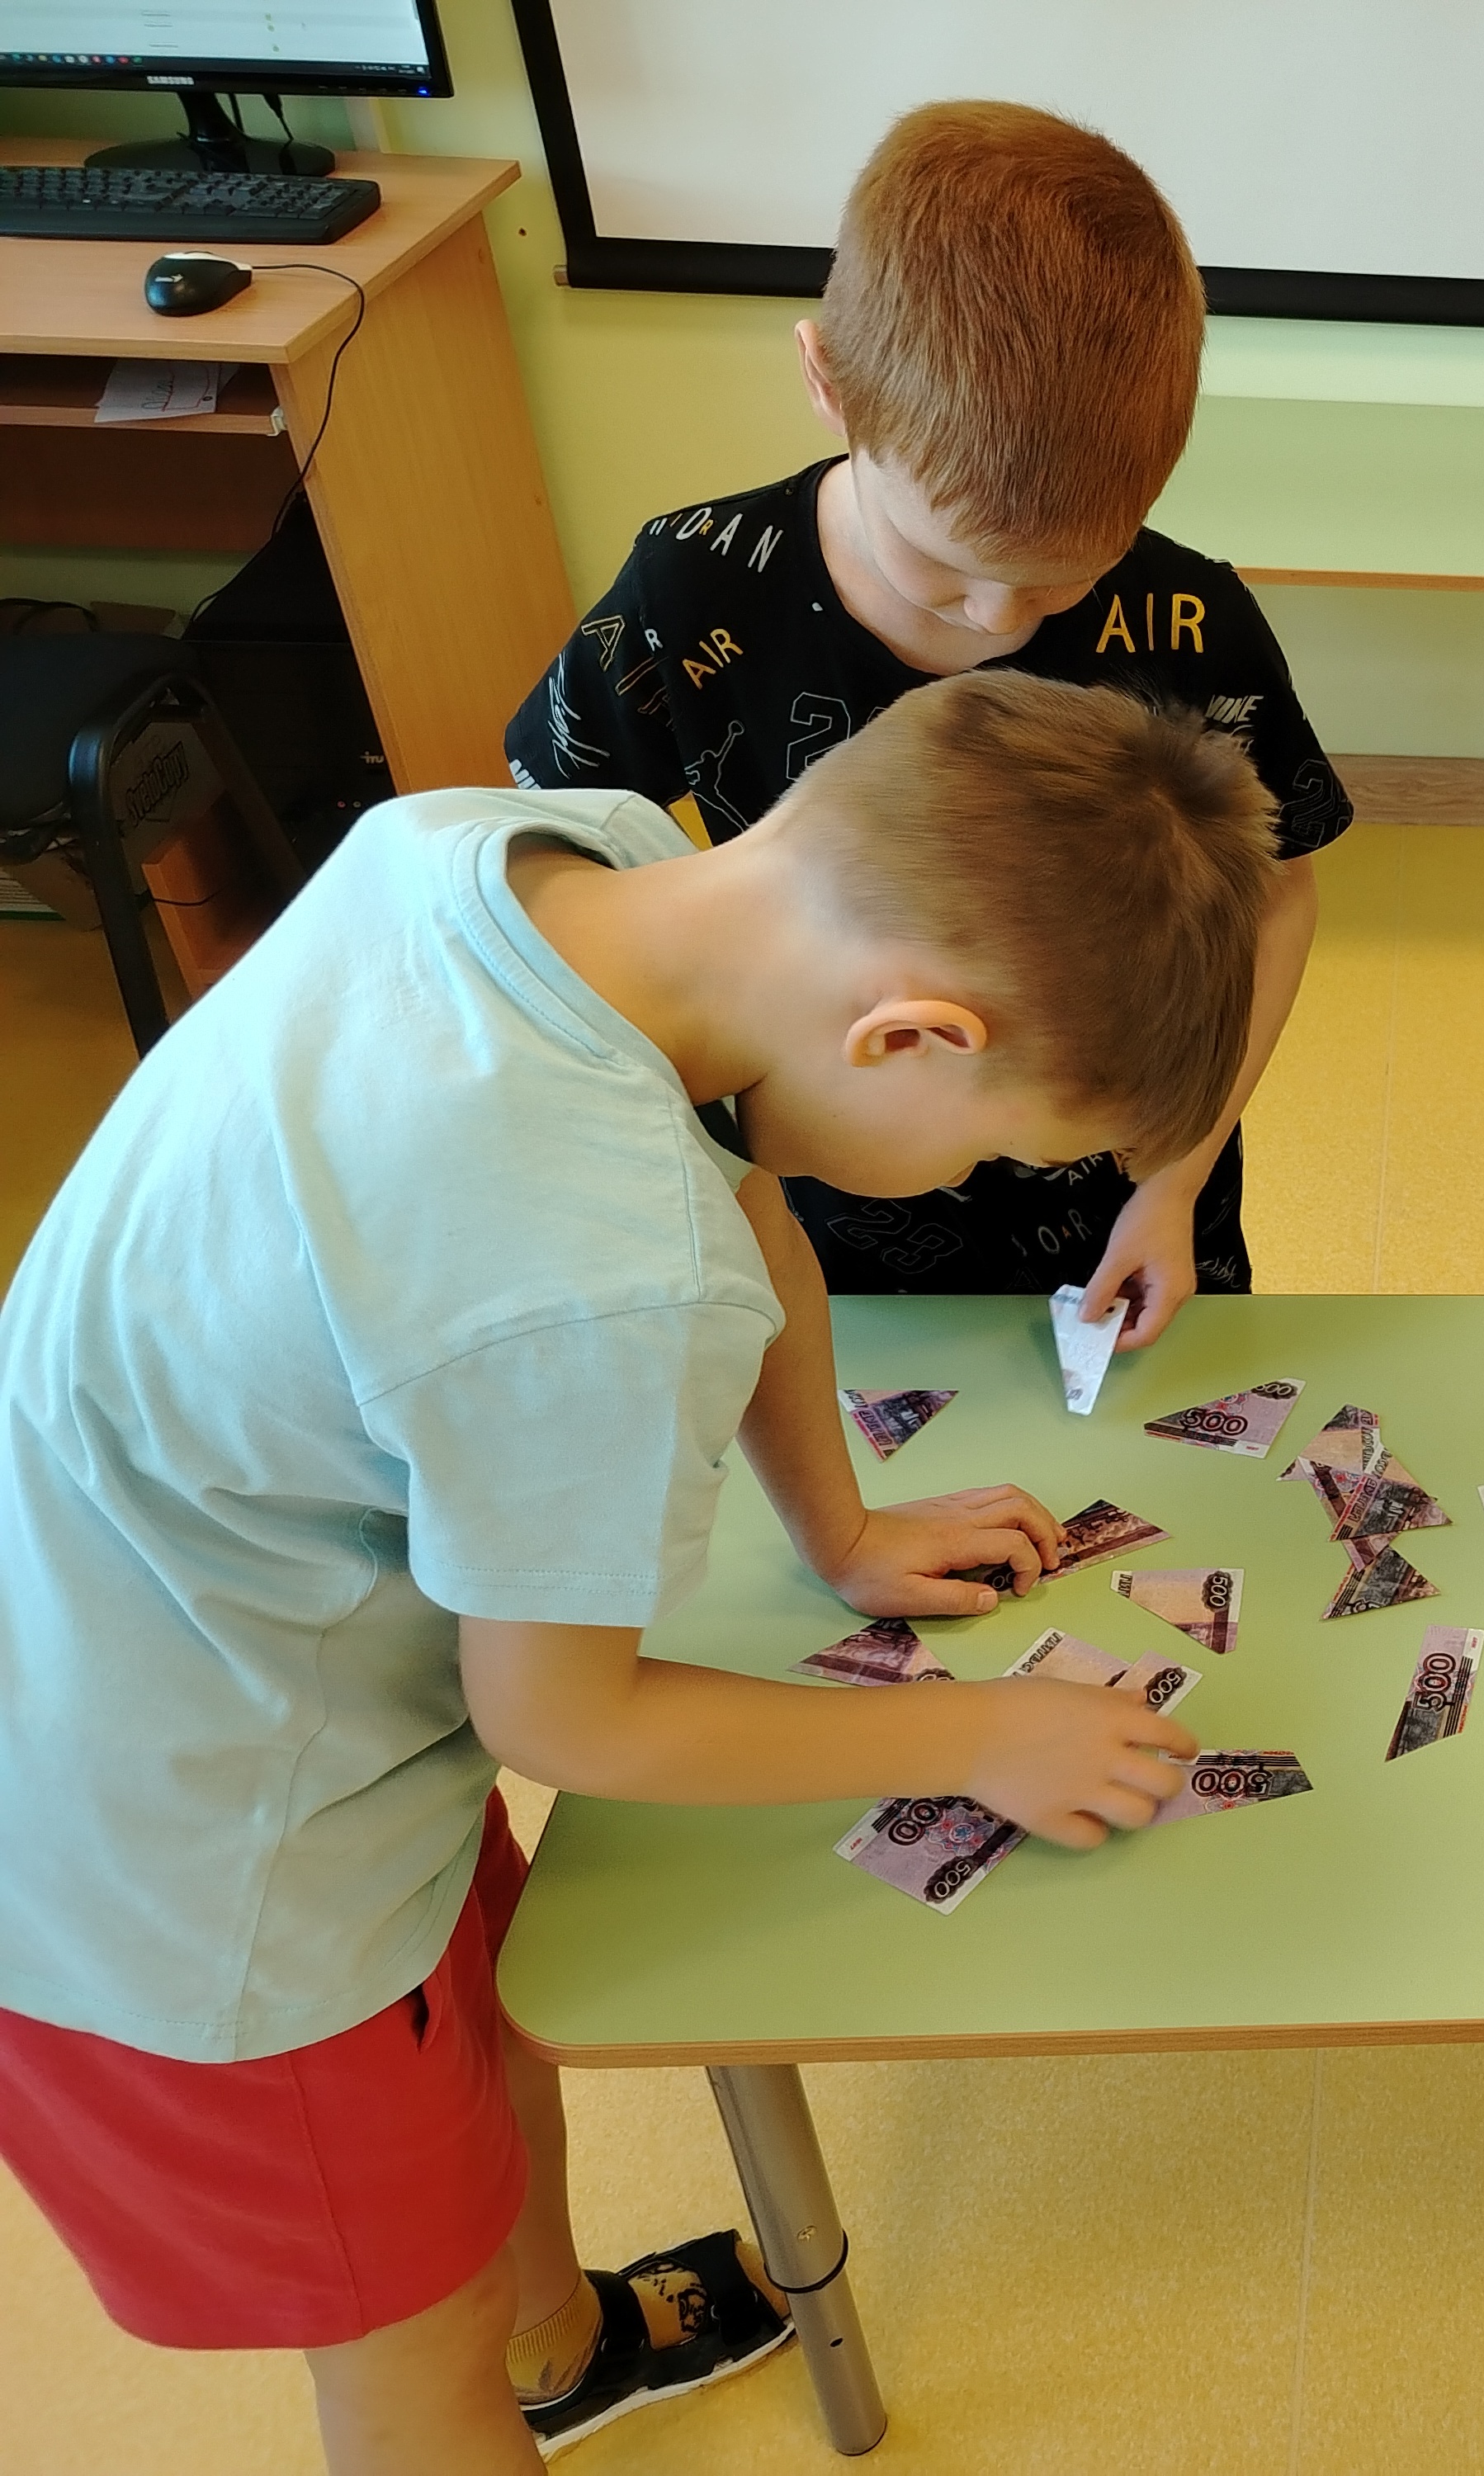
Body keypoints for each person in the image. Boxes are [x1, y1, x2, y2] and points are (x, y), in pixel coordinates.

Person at [0, 673, 1269, 2468]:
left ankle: (561, 2348)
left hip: (202, 1658)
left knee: (492, 2056)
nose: (969, 1175)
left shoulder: (533, 856)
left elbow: (740, 1190)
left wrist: (837, 1531)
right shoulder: (591, 1264)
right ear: (910, 1037)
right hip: (180, 1868)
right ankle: (498, 2366)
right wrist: (977, 1734)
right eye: (994, 1142)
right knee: (406, 2355)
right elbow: (567, 1719)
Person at [507, 99, 1349, 1343]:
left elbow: (1274, 896)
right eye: (944, 563)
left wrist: (1172, 1179)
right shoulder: (695, 588)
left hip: (1123, 1191)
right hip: (821, 1191)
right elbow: (554, 856)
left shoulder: (1188, 625)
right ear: (828, 383)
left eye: (1069, 578)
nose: (1000, 619)